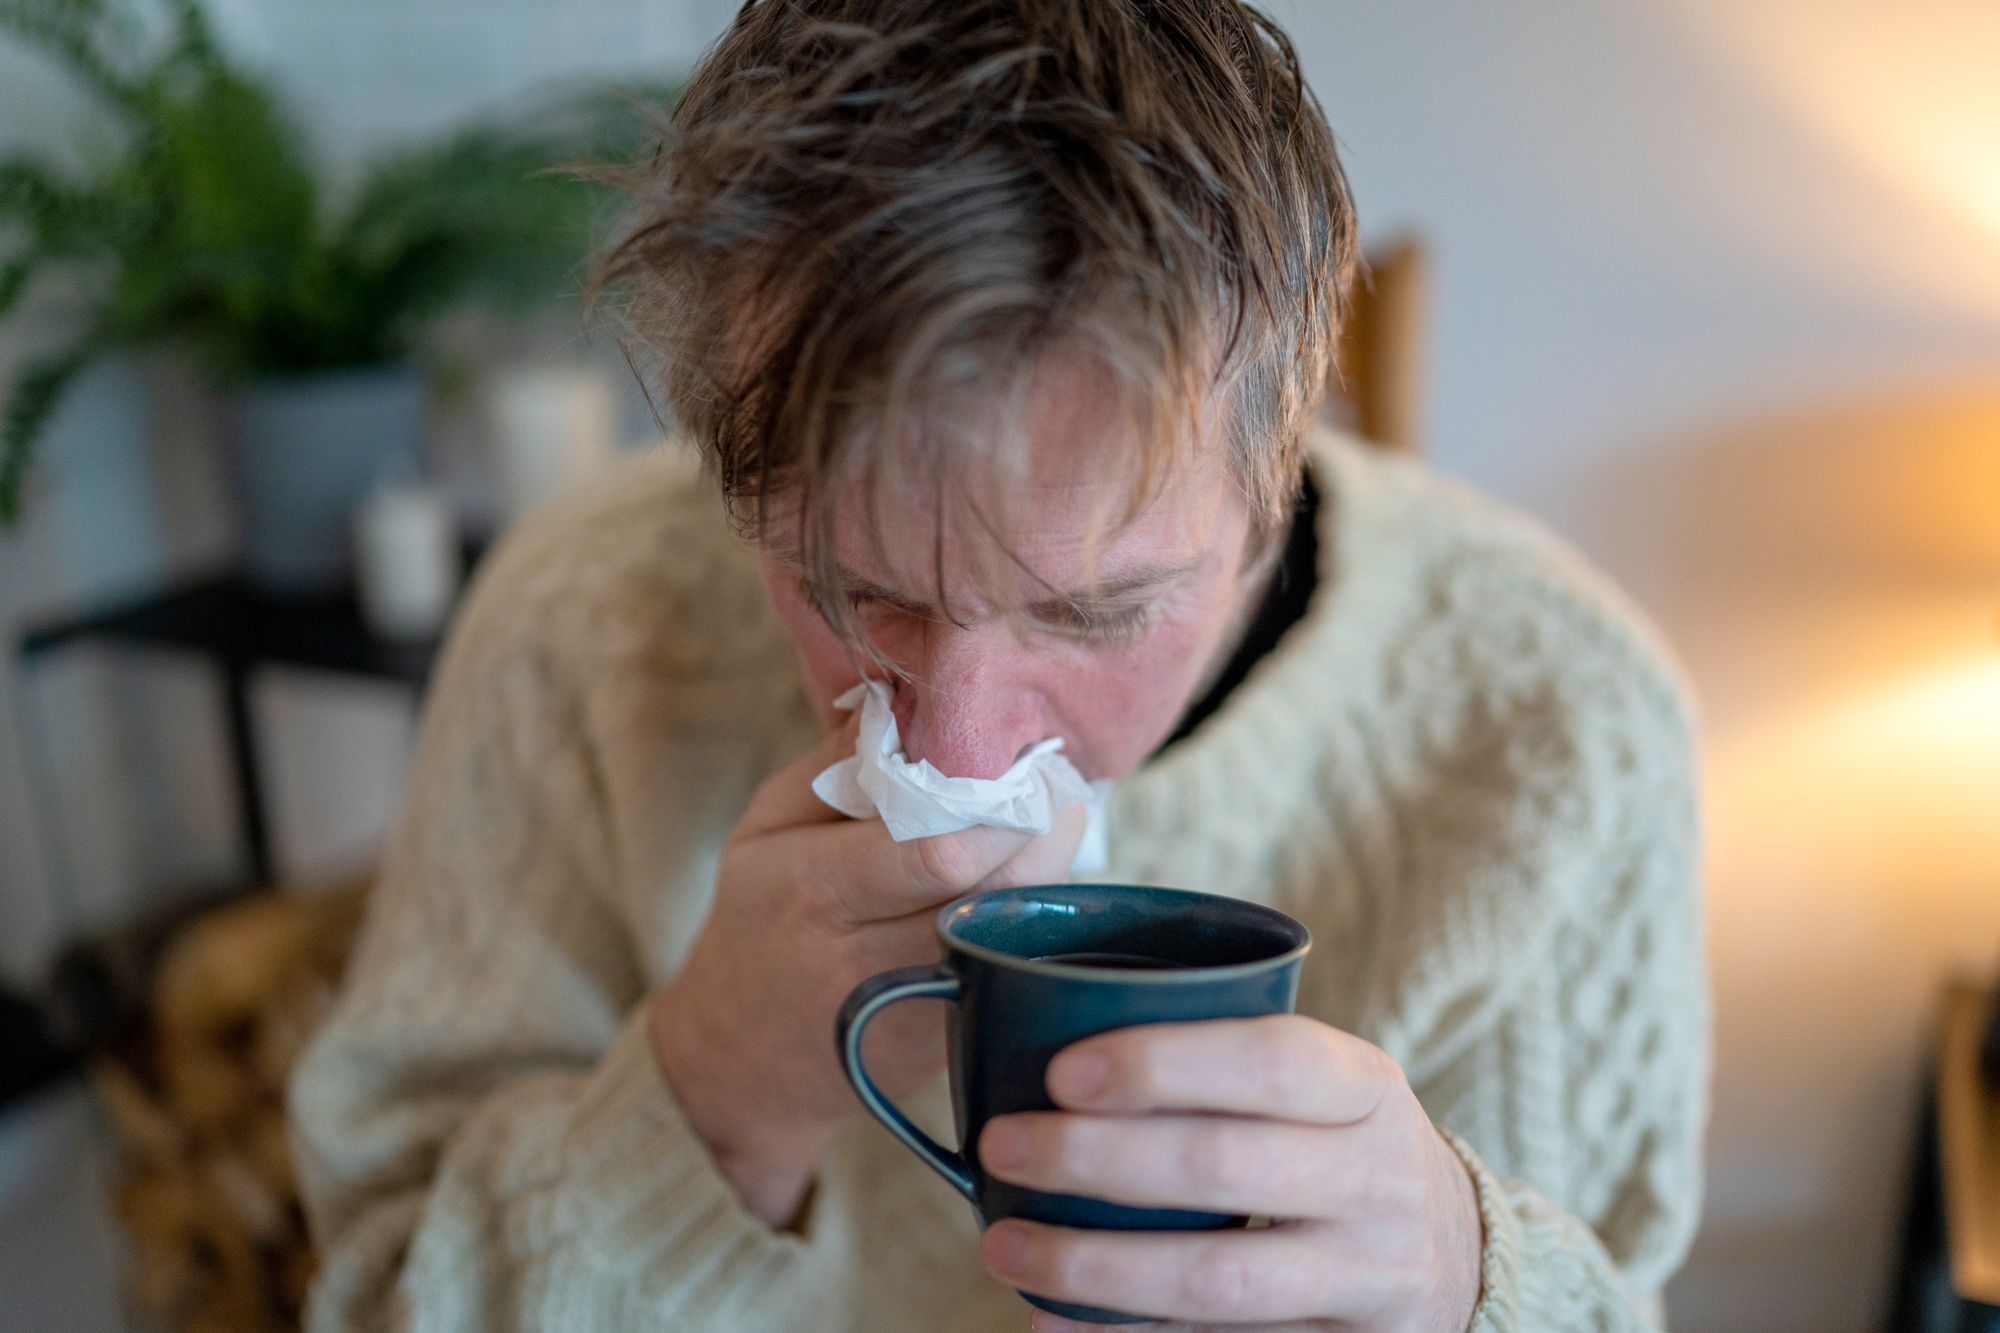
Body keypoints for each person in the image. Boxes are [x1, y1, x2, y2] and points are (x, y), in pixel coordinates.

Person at [287, 2, 1709, 1330]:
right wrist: (713, 1090)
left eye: (1094, 614)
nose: (960, 751)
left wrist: (1465, 1276)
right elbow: (371, 1295)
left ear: (1272, 483)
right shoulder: (577, 632)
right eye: (854, 591)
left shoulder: (1559, 727)